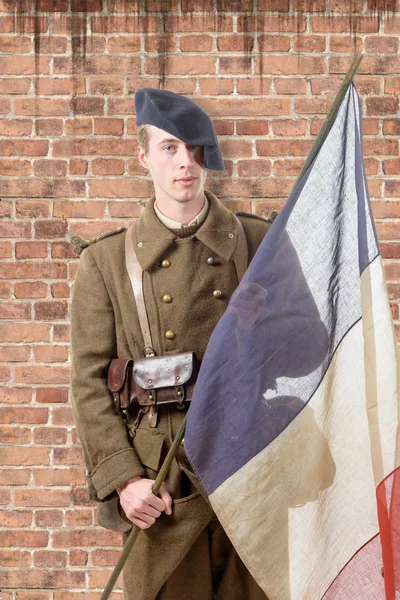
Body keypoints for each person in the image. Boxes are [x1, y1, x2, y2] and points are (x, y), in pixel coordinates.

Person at [70, 88, 273, 600]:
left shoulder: (261, 242)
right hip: (161, 486)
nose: (186, 163)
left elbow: (310, 352)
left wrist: (263, 330)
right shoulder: (106, 263)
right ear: (143, 157)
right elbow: (90, 384)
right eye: (169, 148)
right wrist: (124, 481)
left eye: (196, 149)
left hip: (248, 477)